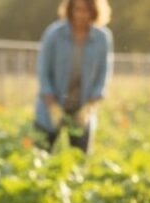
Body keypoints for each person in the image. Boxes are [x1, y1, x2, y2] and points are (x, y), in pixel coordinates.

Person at [34, 0, 113, 154]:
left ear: (94, 11)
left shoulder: (102, 38)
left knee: (79, 159)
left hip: (82, 109)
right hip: (51, 107)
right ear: (70, 10)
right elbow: (43, 72)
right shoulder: (54, 34)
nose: (81, 14)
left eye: (86, 10)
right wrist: (52, 107)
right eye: (77, 9)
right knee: (41, 157)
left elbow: (103, 75)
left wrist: (89, 107)